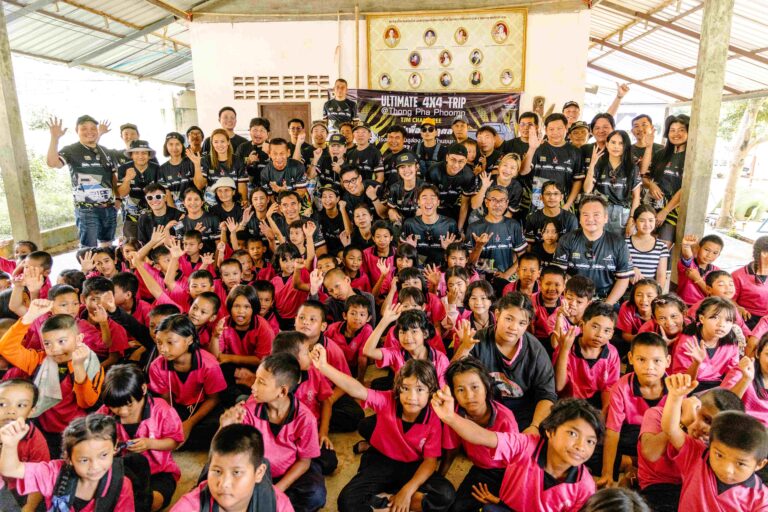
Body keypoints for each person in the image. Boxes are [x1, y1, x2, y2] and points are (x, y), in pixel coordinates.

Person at [312, 346, 456, 512]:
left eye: (420, 389)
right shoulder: (388, 400)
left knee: (446, 495)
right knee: (347, 501)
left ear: (430, 392)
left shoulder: (433, 416)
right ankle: (392, 501)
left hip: (413, 465)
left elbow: (430, 461)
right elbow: (357, 389)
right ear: (398, 389)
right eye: (405, 389)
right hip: (382, 460)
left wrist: (407, 491)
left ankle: (386, 501)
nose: (411, 397)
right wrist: (323, 366)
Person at [432, 393, 604, 512]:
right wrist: (450, 418)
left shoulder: (586, 487)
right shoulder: (526, 445)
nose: (581, 446)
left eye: (590, 441)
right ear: (551, 431)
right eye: (573, 434)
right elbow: (484, 436)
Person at [661, 373, 768, 510]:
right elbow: (671, 430)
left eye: (740, 463)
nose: (726, 469)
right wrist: (675, 397)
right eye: (719, 455)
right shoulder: (698, 456)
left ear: (760, 464)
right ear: (710, 444)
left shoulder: (760, 499)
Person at [453, 292, 557, 430]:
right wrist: (464, 349)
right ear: (497, 315)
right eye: (509, 319)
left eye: (522, 323)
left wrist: (535, 426)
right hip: (483, 412)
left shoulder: (536, 350)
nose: (514, 327)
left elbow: (547, 394)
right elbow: (454, 377)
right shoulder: (477, 340)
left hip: (524, 417)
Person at [638, 386, 744, 511]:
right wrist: (682, 422)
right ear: (695, 406)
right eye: (706, 419)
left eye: (716, 427)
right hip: (658, 486)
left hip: (693, 488)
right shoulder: (658, 413)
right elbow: (650, 453)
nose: (707, 430)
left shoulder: (712, 442)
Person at [0, 413, 135, 510]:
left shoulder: (121, 485)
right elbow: (11, 470)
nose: (95, 466)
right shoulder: (54, 473)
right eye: (84, 460)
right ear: (68, 458)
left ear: (115, 447)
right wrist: (10, 444)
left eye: (103, 455)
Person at [98, 364, 183, 511]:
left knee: (153, 503)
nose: (123, 411)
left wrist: (150, 444)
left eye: (129, 404)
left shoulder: (162, 410)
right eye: (115, 406)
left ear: (143, 389)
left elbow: (175, 441)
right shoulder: (106, 412)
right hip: (124, 469)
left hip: (161, 472)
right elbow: (92, 436)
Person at [46, 115, 117, 248]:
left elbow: (113, 177)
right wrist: (54, 138)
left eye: (93, 128)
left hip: (108, 208)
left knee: (107, 246)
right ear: (76, 131)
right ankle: (88, 269)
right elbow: (52, 163)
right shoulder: (71, 150)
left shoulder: (105, 151)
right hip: (86, 209)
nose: (89, 131)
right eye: (84, 128)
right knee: (88, 249)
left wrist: (117, 199)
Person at [553, 195, 633, 304]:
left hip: (607, 300)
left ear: (605, 218)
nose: (590, 219)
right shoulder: (567, 240)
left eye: (596, 215)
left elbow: (623, 279)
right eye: (585, 215)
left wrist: (606, 305)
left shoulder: (618, 243)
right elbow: (559, 274)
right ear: (579, 218)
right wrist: (576, 301)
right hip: (574, 301)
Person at [671, 296, 739, 391]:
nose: (721, 324)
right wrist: (696, 363)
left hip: (719, 387)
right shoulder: (688, 341)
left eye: (728, 320)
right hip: (691, 387)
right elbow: (682, 381)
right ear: (702, 319)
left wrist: (724, 391)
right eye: (715, 318)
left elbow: (733, 373)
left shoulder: (731, 342)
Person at [583, 130, 641, 236]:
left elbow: (636, 197)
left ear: (626, 146)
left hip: (623, 214)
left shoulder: (632, 167)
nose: (616, 146)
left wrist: (632, 219)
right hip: (600, 211)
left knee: (619, 247)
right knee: (599, 246)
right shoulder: (599, 164)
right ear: (607, 144)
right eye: (613, 142)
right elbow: (587, 189)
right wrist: (592, 165)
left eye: (620, 143)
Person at [521, 113, 584, 212]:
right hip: (537, 205)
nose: (555, 132)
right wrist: (532, 148)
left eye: (559, 129)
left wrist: (567, 205)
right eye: (551, 129)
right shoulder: (537, 148)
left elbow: (577, 181)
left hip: (563, 205)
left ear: (566, 129)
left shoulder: (575, 152)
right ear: (546, 130)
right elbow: (523, 171)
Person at [643, 114, 689, 244]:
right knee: (646, 246)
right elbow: (644, 177)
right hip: (651, 208)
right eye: (672, 130)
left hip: (672, 212)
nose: (676, 134)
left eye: (681, 130)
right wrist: (651, 185)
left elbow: (685, 189)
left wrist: (665, 211)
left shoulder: (690, 158)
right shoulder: (661, 154)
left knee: (662, 248)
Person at [467, 186, 527, 280]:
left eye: (502, 200)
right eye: (493, 200)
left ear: (507, 203)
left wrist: (506, 275)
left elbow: (523, 258)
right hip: (481, 280)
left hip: (506, 279)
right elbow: (469, 263)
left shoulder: (514, 225)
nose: (498, 205)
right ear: (486, 202)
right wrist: (479, 246)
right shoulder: (474, 228)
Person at [401, 185, 460, 266]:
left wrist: (449, 249)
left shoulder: (450, 224)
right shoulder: (409, 224)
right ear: (418, 201)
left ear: (438, 202)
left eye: (432, 198)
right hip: (417, 270)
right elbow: (401, 254)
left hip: (442, 269)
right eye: (424, 198)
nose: (428, 202)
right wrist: (409, 249)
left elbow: (458, 256)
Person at [117, 139, 160, 239]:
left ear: (149, 155)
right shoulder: (123, 168)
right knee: (132, 245)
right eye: (136, 153)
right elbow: (121, 194)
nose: (140, 156)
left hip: (153, 215)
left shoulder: (157, 168)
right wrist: (127, 179)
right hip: (131, 216)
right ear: (131, 155)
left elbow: (162, 193)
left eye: (144, 153)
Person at [626, 205, 669, 288]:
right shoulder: (624, 244)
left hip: (649, 293)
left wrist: (656, 296)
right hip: (626, 291)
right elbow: (620, 267)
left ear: (655, 221)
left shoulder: (661, 246)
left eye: (651, 220)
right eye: (642, 221)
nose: (647, 224)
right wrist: (631, 269)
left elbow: (661, 276)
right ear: (634, 222)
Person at [732, 236, 768, 330]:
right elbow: (728, 299)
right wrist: (738, 308)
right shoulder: (738, 275)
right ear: (763, 254)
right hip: (747, 318)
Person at [158, 132, 194, 211]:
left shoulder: (191, 162)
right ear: (166, 146)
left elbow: (199, 186)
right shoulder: (162, 169)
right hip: (176, 211)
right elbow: (167, 195)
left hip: (194, 208)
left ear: (182, 146)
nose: (174, 148)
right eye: (171, 144)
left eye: (177, 144)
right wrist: (176, 214)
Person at [234, 117, 271, 190]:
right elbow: (235, 169)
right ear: (250, 131)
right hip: (247, 187)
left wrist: (270, 153)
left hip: (269, 186)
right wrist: (247, 162)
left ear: (268, 133)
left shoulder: (273, 147)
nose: (258, 133)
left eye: (262, 130)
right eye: (255, 130)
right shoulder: (242, 147)